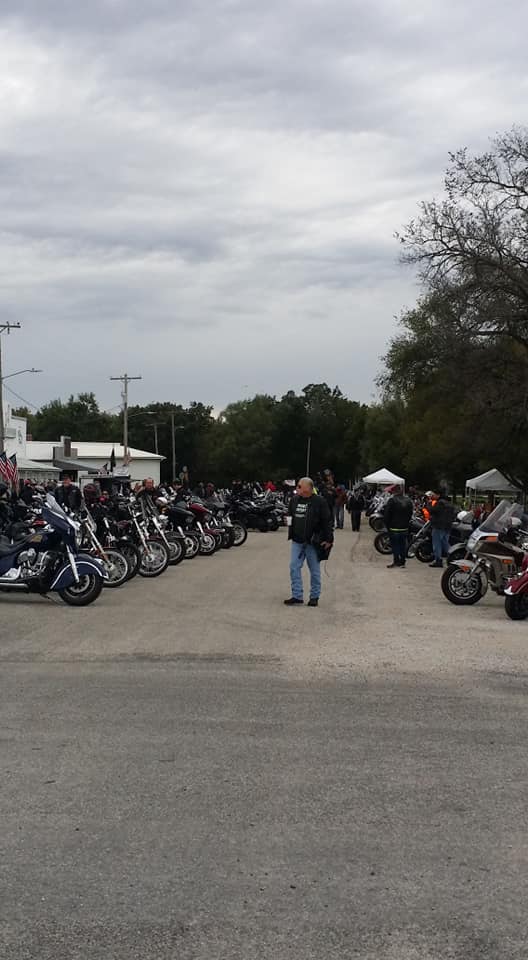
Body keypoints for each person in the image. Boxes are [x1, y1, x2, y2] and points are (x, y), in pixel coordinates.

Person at [285, 477, 333, 607]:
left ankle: (314, 596)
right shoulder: (294, 500)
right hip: (297, 541)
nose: (297, 488)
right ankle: (297, 595)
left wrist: (329, 539)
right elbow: (289, 514)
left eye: (300, 486)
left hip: (312, 542)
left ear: (308, 488)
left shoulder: (319, 501)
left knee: (314, 571)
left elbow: (327, 521)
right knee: (294, 567)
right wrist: (288, 523)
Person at [383, 485, 413, 568]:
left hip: (394, 527)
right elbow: (410, 514)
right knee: (403, 545)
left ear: (394, 491)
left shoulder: (392, 500)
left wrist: (387, 525)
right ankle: (402, 562)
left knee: (395, 545)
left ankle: (396, 561)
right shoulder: (408, 501)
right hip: (404, 527)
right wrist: (406, 523)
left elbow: (387, 514)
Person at [429, 492, 456, 568]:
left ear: (438, 495)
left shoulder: (440, 503)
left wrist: (430, 503)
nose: (432, 495)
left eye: (434, 494)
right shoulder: (450, 504)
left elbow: (432, 511)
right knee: (445, 543)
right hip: (448, 526)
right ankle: (453, 557)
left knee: (437, 543)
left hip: (439, 526)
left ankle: (438, 560)